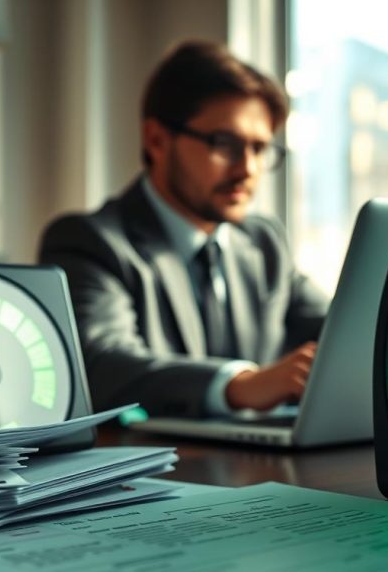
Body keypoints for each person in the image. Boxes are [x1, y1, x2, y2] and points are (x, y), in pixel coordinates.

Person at [39, 40, 329, 418]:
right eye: (225, 144)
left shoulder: (264, 242)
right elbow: (103, 364)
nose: (248, 169)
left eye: (259, 149)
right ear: (157, 139)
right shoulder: (90, 241)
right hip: (157, 470)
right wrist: (237, 385)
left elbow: (334, 330)